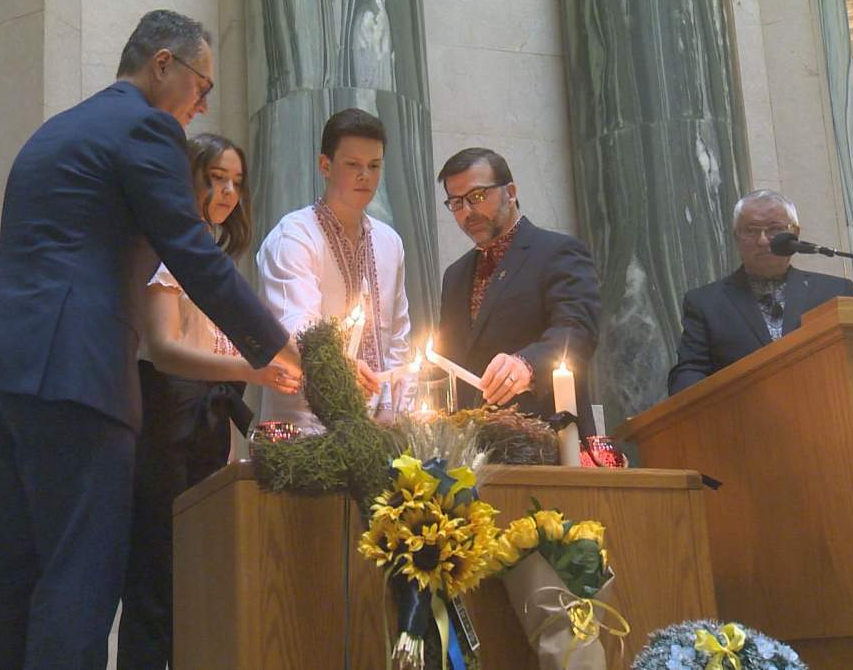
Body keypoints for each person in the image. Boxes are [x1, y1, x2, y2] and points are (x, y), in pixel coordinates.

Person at [0, 11, 299, 670]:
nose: (202, 103)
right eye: (202, 85)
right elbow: (194, 251)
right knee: (79, 580)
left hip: (0, 371)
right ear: (162, 63)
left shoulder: (59, 129)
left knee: (12, 573)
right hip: (75, 377)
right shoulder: (146, 126)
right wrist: (285, 350)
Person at [119, 134, 300, 668]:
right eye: (215, 177)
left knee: (197, 579)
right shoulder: (166, 251)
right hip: (165, 422)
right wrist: (256, 369)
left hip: (206, 427)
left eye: (236, 182)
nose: (226, 192)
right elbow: (165, 349)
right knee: (157, 576)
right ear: (188, 178)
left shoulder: (212, 261)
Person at [256, 108, 411, 433]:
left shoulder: (389, 242)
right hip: (307, 426)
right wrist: (341, 367)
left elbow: (397, 337)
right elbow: (296, 328)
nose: (364, 176)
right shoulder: (295, 235)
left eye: (374, 166)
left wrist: (398, 412)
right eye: (353, 165)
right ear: (325, 165)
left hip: (379, 429)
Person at [435, 147, 602, 427]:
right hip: (475, 451)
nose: (467, 212)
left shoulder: (558, 252)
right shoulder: (455, 275)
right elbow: (449, 359)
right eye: (456, 202)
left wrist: (527, 364)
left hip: (549, 437)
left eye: (477, 197)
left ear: (510, 192)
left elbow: (577, 330)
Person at [668, 189, 853, 394]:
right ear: (736, 238)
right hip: (741, 418)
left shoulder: (835, 292)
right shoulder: (705, 303)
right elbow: (690, 370)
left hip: (830, 414)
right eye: (750, 230)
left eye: (775, 229)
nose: (763, 241)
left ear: (795, 233)